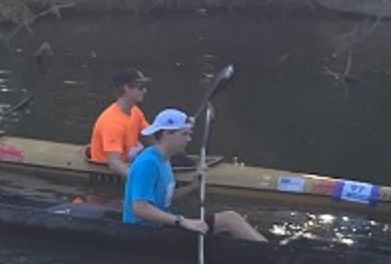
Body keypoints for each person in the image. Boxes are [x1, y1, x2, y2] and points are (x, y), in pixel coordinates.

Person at [123, 109, 266, 241]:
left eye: (189, 134)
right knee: (230, 219)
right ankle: (270, 254)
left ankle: (264, 247)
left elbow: (165, 196)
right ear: (167, 133)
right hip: (143, 233)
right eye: (184, 134)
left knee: (231, 218)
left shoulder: (164, 159)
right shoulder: (148, 163)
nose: (189, 139)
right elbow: (140, 208)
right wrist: (182, 221)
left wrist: (192, 186)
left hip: (160, 226)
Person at [86, 68, 152, 179]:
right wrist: (140, 180)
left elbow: (152, 138)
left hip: (129, 160)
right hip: (105, 176)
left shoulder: (135, 111)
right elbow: (114, 163)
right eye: (141, 87)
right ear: (126, 88)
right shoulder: (112, 122)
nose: (145, 91)